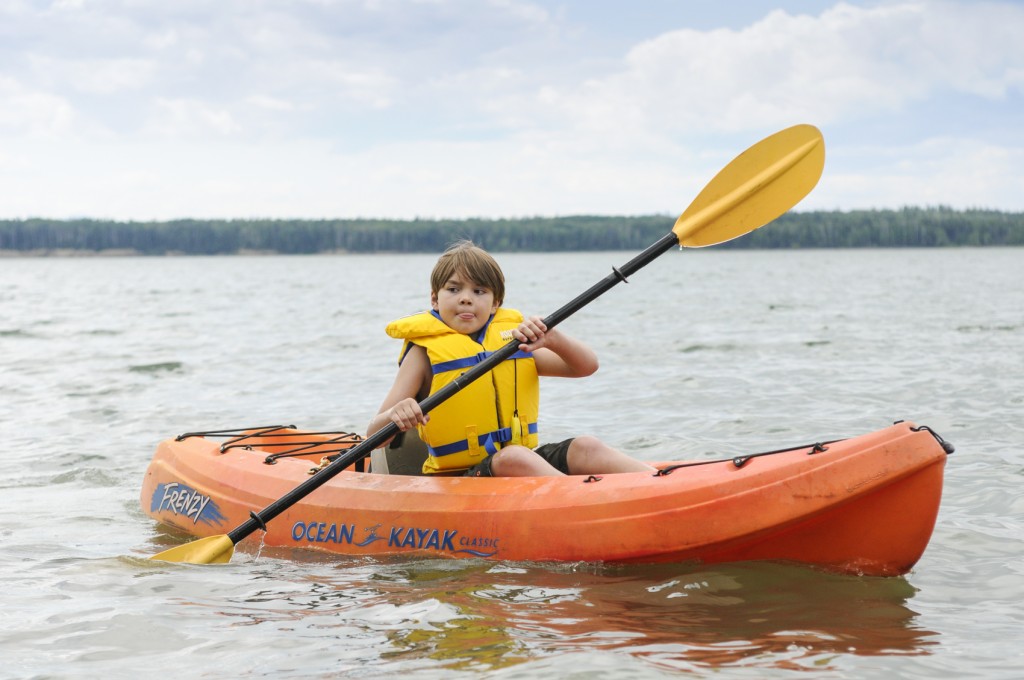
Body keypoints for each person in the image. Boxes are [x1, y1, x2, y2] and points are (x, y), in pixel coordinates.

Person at [366, 240, 656, 478]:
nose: (466, 298)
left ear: (495, 304)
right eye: (454, 289)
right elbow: (373, 436)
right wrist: (395, 415)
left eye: (479, 291)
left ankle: (657, 486)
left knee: (586, 447)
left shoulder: (512, 343)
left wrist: (554, 339)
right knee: (513, 458)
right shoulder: (422, 354)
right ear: (434, 299)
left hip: (521, 464)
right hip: (459, 480)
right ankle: (591, 504)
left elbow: (586, 366)